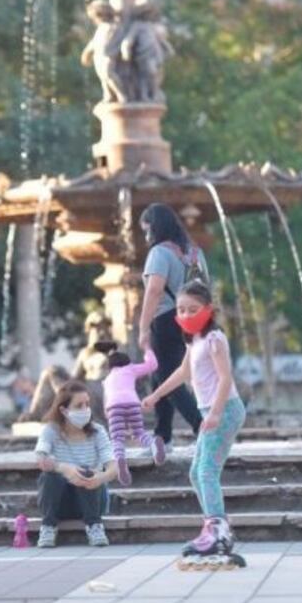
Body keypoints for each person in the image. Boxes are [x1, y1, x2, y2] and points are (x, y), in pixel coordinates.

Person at [142, 280, 246, 561]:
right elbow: (182, 373)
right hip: (211, 410)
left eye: (193, 309)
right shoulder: (195, 340)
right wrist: (155, 395)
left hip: (225, 409)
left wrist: (214, 414)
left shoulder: (214, 339)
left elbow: (225, 379)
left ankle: (217, 532)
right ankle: (215, 526)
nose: (186, 315)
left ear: (208, 310)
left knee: (207, 471)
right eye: (181, 310)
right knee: (195, 473)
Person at [137, 203, 207, 447]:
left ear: (155, 228)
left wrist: (143, 327)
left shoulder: (159, 253)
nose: (146, 235)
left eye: (147, 229)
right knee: (161, 376)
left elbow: (155, 290)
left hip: (165, 318)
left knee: (168, 377)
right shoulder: (195, 253)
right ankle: (162, 435)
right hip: (192, 319)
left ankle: (202, 426)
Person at [34, 380, 117, 548]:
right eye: (79, 406)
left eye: (87, 404)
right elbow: (41, 460)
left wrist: (100, 477)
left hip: (91, 499)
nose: (85, 410)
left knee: (87, 472)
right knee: (50, 475)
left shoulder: (98, 431)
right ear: (64, 410)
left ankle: (94, 526)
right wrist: (65, 468)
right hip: (59, 503)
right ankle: (48, 526)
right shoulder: (51, 430)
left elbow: (113, 468)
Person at [103, 348, 166, 485]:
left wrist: (107, 413)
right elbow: (152, 365)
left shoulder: (107, 379)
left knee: (117, 438)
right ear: (127, 361)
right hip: (132, 403)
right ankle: (154, 444)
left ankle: (120, 460)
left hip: (113, 406)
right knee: (138, 433)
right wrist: (147, 349)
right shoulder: (130, 369)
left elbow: (106, 400)